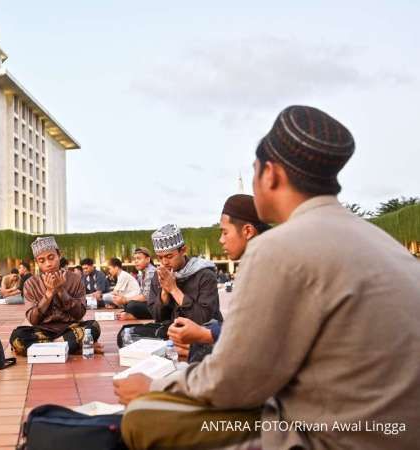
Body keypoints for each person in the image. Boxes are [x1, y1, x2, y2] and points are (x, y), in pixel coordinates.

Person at [115, 106, 420, 449]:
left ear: (270, 174)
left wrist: (152, 389)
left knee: (145, 416)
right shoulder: (386, 245)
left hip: (331, 436)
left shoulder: (277, 248)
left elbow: (235, 380)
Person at [168, 194, 270, 357]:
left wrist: (205, 335)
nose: (221, 240)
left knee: (199, 353)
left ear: (248, 231)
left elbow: (262, 332)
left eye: (225, 232)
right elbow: (156, 312)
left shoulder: (270, 265)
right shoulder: (258, 261)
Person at [9, 237, 103, 356]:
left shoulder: (75, 279)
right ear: (37, 262)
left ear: (59, 255)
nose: (48, 264)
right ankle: (71, 346)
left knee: (93, 326)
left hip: (71, 328)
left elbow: (79, 314)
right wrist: (48, 294)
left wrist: (61, 290)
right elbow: (33, 320)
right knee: (17, 338)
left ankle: (49, 348)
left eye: (51, 257)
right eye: (42, 260)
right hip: (44, 331)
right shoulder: (30, 283)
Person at [147, 224, 222, 326]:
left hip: (204, 336)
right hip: (171, 334)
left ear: (183, 250)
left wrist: (174, 290)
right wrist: (164, 292)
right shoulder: (159, 276)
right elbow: (157, 316)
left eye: (169, 256)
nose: (164, 262)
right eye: (160, 258)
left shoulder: (205, 275)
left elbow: (203, 319)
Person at [117, 247, 155, 320]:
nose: (136, 261)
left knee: (131, 305)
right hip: (148, 303)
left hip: (156, 306)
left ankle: (133, 316)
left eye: (139, 258)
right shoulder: (142, 273)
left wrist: (126, 299)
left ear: (148, 259)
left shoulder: (151, 272)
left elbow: (145, 297)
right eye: (135, 259)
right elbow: (141, 294)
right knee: (128, 304)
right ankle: (131, 314)